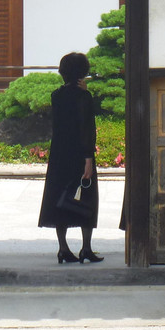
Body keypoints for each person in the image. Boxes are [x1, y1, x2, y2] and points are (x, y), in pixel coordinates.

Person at [38, 51, 103, 264]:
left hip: (59, 153)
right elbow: (86, 129)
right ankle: (86, 247)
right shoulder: (84, 97)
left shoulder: (56, 96)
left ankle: (63, 248)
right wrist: (88, 158)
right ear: (81, 73)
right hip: (78, 153)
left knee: (59, 198)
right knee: (86, 196)